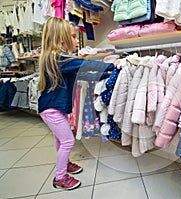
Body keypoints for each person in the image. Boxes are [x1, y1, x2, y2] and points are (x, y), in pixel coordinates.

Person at [38, 17, 113, 190]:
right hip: (51, 110)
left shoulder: (60, 60)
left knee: (61, 140)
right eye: (72, 36)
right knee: (67, 142)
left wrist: (106, 74)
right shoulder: (58, 59)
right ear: (61, 38)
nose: (76, 40)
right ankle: (60, 178)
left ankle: (65, 164)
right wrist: (110, 65)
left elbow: (85, 75)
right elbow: (84, 64)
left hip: (55, 108)